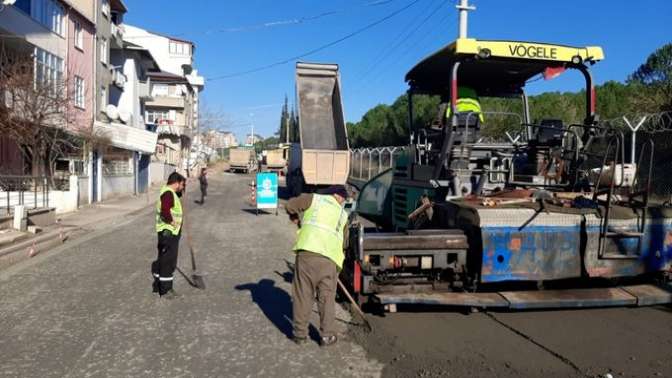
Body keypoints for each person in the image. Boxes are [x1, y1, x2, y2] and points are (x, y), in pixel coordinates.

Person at [285, 185, 349, 347]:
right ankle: (327, 336)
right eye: (343, 198)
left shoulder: (313, 199)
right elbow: (344, 242)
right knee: (326, 298)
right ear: (336, 196)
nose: (343, 202)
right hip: (329, 261)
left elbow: (289, 205)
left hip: (307, 255)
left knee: (303, 295)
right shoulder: (343, 215)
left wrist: (296, 218)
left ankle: (300, 335)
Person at [151, 172, 186, 299]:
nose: (182, 187)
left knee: (162, 259)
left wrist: (182, 190)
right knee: (168, 261)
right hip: (169, 232)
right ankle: (165, 290)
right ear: (176, 183)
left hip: (166, 232)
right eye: (182, 184)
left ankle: (157, 286)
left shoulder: (168, 192)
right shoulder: (168, 194)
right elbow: (166, 211)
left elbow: (177, 196)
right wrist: (173, 222)